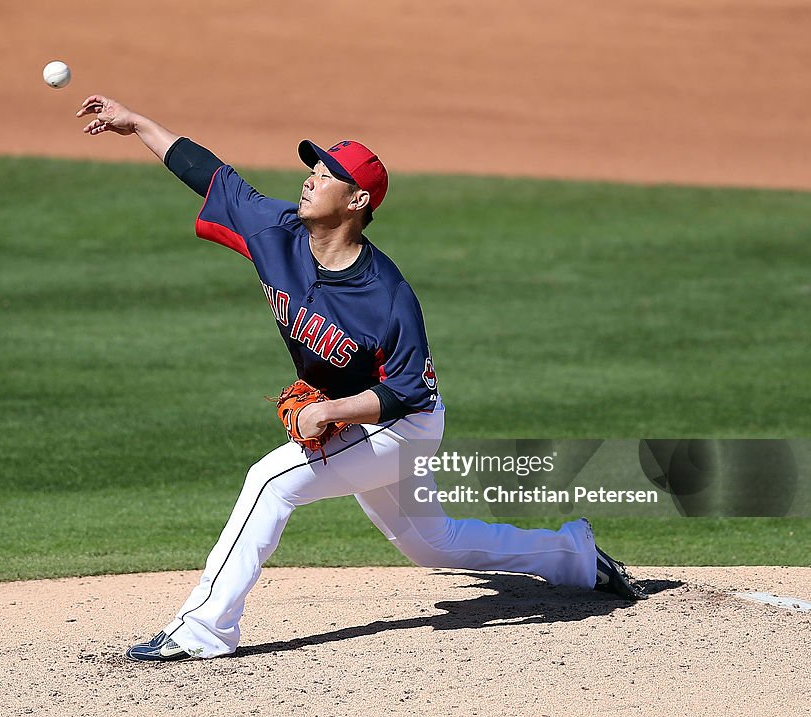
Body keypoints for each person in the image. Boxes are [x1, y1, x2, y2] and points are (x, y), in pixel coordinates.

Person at [75, 95, 647, 662]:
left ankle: (203, 628)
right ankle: (575, 552)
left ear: (356, 201)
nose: (308, 180)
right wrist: (139, 124)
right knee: (433, 544)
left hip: (405, 425)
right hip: (368, 421)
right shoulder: (277, 231)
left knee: (271, 481)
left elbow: (407, 391)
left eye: (324, 176)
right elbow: (210, 174)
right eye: (312, 169)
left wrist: (329, 412)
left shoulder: (387, 295)